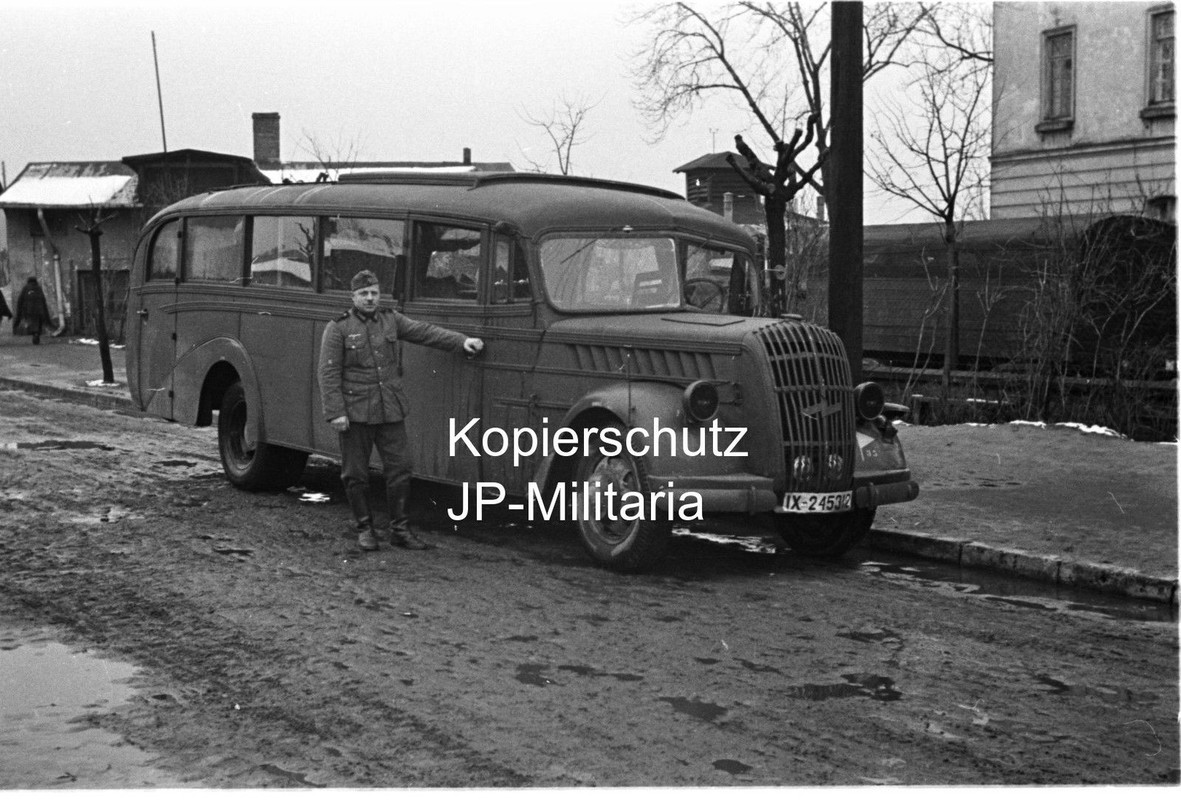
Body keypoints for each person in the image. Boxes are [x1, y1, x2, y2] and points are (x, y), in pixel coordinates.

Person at [318, 269, 484, 552]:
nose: (370, 298)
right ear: (353, 297)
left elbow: (425, 332)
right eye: (363, 294)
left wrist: (460, 341)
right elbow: (328, 373)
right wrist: (336, 412)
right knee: (355, 474)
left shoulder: (390, 319)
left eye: (374, 293)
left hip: (390, 410)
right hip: (356, 413)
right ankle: (365, 530)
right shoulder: (339, 328)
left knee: (400, 469)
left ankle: (400, 531)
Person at [13, 277, 52, 345]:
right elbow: (43, 300)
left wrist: (20, 312)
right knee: (38, 322)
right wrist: (45, 311)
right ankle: (36, 334)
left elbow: (20, 300)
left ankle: (34, 333)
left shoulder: (25, 288)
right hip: (39, 309)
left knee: (31, 322)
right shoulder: (38, 288)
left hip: (28, 310)